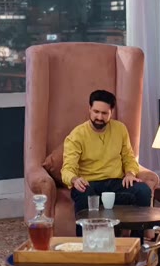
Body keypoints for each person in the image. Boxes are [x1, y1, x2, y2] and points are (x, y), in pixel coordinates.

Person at [61, 90, 152, 235]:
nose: (99, 117)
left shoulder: (120, 129)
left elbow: (129, 158)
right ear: (89, 109)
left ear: (111, 112)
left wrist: (130, 173)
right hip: (89, 184)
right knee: (83, 194)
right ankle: (84, 243)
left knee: (143, 191)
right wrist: (74, 179)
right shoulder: (77, 135)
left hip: (116, 183)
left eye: (104, 113)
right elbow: (67, 169)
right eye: (96, 112)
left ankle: (136, 242)